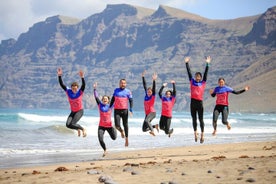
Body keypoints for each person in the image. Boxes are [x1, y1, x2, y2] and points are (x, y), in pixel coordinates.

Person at [184, 56, 211, 143]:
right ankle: (195, 133)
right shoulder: (192, 81)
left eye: (199, 76)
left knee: (201, 119)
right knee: (194, 119)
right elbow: (189, 72)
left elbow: (206, 73)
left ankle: (202, 134)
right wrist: (187, 63)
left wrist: (207, 63)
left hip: (199, 103)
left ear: (201, 77)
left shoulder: (203, 83)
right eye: (196, 76)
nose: (197, 77)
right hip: (193, 102)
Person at [57, 68, 87, 137]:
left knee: (73, 123)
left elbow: (83, 85)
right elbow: (62, 84)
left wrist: (82, 77)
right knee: (68, 125)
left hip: (79, 111)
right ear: (71, 88)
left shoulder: (80, 92)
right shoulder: (68, 91)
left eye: (75, 88)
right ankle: (78, 129)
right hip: (73, 111)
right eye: (73, 88)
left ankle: (83, 129)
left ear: (77, 88)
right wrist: (59, 76)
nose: (74, 89)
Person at [93, 82, 117, 157]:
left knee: (114, 138)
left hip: (109, 126)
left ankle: (115, 128)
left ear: (108, 100)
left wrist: (116, 93)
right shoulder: (100, 105)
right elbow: (96, 97)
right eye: (103, 99)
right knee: (100, 139)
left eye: (106, 99)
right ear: (102, 100)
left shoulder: (111, 106)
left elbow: (115, 98)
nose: (105, 100)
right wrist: (94, 89)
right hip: (101, 126)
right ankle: (105, 150)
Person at [110, 79, 133, 147]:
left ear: (126, 84)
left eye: (124, 83)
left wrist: (131, 109)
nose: (123, 84)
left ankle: (126, 139)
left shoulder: (128, 92)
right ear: (119, 84)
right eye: (121, 83)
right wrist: (110, 107)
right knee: (117, 125)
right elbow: (113, 99)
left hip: (125, 110)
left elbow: (131, 101)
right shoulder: (116, 90)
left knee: (125, 124)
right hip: (117, 110)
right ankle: (121, 131)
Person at [141, 70, 159, 136]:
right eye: (148, 91)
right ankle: (155, 126)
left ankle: (152, 130)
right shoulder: (146, 95)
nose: (149, 92)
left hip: (152, 113)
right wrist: (143, 77)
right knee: (144, 129)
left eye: (150, 92)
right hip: (147, 114)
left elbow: (154, 88)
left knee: (146, 121)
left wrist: (154, 80)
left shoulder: (153, 96)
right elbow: (144, 85)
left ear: (152, 92)